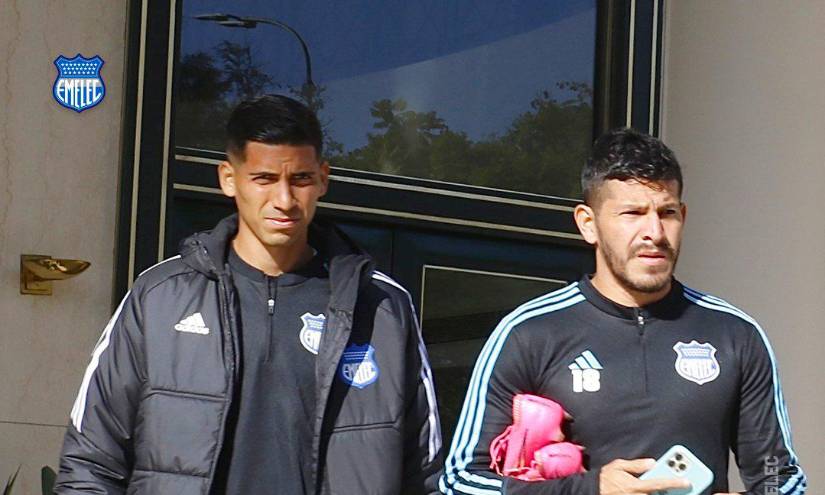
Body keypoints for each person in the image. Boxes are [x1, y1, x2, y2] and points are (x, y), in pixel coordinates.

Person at [55, 94, 442, 494]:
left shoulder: (380, 306)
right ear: (228, 179)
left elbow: (426, 475)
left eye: (301, 180)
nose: (285, 200)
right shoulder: (160, 297)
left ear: (323, 178)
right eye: (264, 179)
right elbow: (91, 462)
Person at [440, 128, 806, 495]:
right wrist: (590, 489)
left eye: (668, 213)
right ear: (588, 224)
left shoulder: (735, 333)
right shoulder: (529, 333)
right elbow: (461, 481)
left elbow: (778, 474)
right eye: (632, 212)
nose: (655, 232)